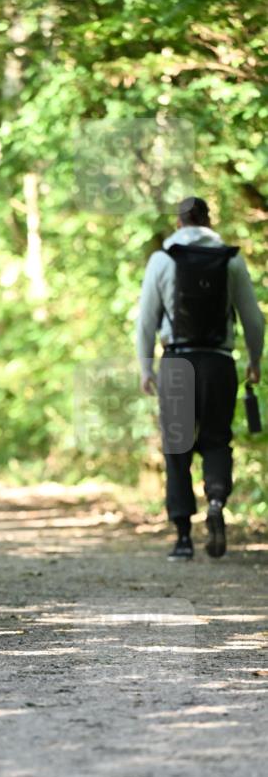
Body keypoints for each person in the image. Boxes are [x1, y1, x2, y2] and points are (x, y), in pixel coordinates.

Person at [137, 195, 264, 560]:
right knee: (217, 440)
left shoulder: (163, 259)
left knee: (177, 449)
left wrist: (146, 367)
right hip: (219, 363)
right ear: (209, 222)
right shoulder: (230, 258)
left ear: (178, 223)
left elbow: (146, 320)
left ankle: (182, 538)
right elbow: (253, 318)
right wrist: (254, 359)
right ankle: (218, 501)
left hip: (177, 363)